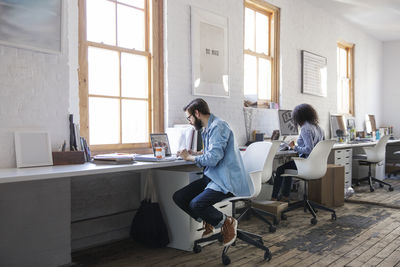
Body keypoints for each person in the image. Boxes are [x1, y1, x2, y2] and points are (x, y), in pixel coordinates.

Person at [172, 98, 250, 247]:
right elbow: (212, 152)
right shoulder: (207, 128)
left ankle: (227, 222)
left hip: (225, 180)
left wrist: (189, 157)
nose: (189, 121)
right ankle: (209, 218)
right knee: (179, 197)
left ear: (197, 113)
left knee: (196, 204)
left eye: (189, 118)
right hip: (213, 177)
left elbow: (213, 158)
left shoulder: (218, 126)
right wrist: (195, 152)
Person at [271, 103, 324, 201]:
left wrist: (294, 147)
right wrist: (297, 146)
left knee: (280, 170)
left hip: (306, 164)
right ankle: (285, 197)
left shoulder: (305, 128)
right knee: (288, 168)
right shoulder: (319, 128)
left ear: (299, 117)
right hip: (316, 165)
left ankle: (273, 199)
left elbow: (309, 149)